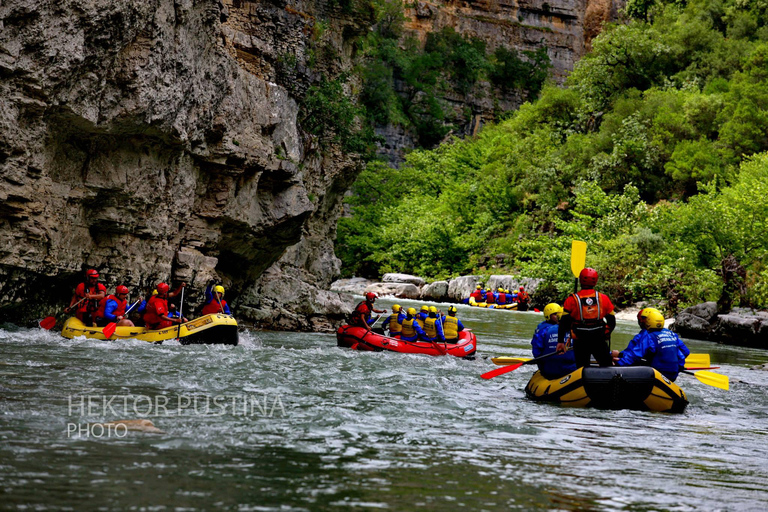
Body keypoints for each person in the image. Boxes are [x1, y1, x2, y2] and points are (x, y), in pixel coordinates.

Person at [557, 268, 615, 368]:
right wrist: (606, 333)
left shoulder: (572, 299)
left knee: (582, 367)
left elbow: (564, 323)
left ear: (580, 281)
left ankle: (583, 381)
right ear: (595, 281)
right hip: (599, 339)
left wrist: (560, 342)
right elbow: (612, 321)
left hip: (580, 340)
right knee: (606, 365)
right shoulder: (603, 298)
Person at [614, 310, 690, 381]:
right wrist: (679, 366)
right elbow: (685, 352)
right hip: (674, 373)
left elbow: (634, 355)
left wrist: (619, 363)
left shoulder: (648, 336)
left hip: (658, 374)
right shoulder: (671, 334)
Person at [532, 303, 577, 379]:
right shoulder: (575, 330)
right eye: (554, 314)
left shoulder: (543, 330)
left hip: (552, 369)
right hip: (570, 369)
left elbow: (536, 351)